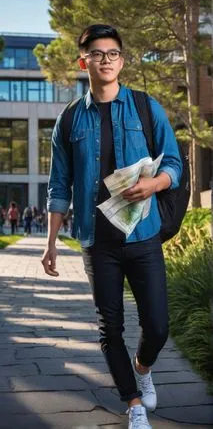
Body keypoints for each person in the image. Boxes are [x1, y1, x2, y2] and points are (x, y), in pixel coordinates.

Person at [41, 24, 182, 429]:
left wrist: (152, 184)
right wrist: (50, 243)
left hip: (143, 234)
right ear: (83, 61)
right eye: (98, 54)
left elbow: (172, 161)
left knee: (157, 325)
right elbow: (58, 185)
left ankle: (143, 365)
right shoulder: (68, 120)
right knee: (111, 327)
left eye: (114, 53)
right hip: (96, 240)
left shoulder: (144, 106)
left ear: (122, 60)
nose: (106, 59)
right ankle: (134, 403)